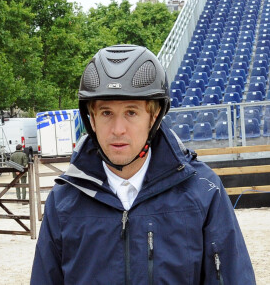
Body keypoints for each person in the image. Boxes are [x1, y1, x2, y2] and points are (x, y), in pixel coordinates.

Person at [31, 45, 256, 284]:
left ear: (154, 116)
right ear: (92, 119)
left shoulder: (203, 191)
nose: (118, 130)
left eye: (131, 112)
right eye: (106, 113)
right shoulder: (63, 201)